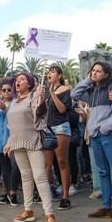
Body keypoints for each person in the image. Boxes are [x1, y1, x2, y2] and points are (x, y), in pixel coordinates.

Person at [72, 62, 112, 222]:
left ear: (106, 74)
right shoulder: (90, 89)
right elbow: (74, 95)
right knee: (103, 171)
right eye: (93, 70)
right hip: (96, 135)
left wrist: (106, 127)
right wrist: (87, 81)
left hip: (108, 135)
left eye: (98, 71)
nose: (94, 73)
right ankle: (106, 207)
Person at [3, 72, 58, 222]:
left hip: (33, 141)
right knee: (26, 176)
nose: (18, 82)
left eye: (22, 79)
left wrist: (41, 99)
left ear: (30, 83)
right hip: (17, 143)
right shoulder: (13, 102)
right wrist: (9, 142)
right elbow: (12, 125)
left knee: (40, 176)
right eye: (17, 80)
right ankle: (28, 210)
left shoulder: (34, 97)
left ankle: (49, 213)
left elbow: (40, 114)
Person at [42, 65, 73, 210]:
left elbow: (62, 109)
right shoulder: (46, 91)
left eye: (52, 72)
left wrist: (53, 93)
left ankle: (65, 196)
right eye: (48, 72)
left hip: (61, 126)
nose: (49, 74)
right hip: (47, 129)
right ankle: (50, 190)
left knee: (61, 161)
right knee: (47, 164)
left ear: (59, 76)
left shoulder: (66, 90)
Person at [0, 80, 19, 206]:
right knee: (5, 169)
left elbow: (15, 118)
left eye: (9, 89)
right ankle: (8, 193)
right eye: (4, 90)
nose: (6, 92)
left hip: (12, 138)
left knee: (15, 167)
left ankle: (13, 192)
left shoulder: (16, 102)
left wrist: (5, 108)